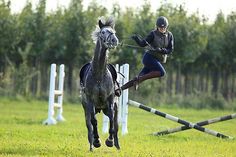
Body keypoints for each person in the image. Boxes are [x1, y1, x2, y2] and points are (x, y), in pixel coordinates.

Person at [115, 16, 174, 96]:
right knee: (162, 72)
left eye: (164, 28)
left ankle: (119, 89)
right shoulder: (153, 34)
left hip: (156, 60)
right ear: (157, 26)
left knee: (137, 79)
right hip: (149, 58)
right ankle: (139, 79)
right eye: (160, 28)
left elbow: (170, 49)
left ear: (167, 27)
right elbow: (142, 44)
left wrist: (163, 50)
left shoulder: (170, 35)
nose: (162, 29)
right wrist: (136, 39)